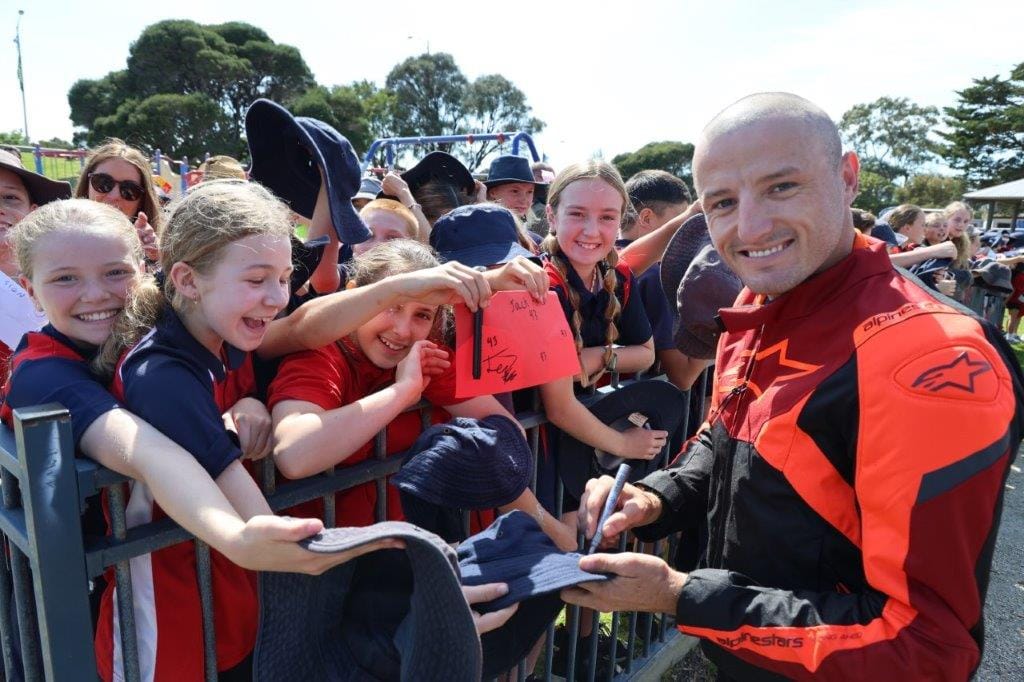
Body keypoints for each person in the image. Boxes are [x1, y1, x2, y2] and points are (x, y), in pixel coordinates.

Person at [564, 92, 1023, 681]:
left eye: (782, 186)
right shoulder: (758, 303)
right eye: (722, 202)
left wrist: (681, 596)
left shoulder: (931, 357)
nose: (749, 226)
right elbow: (725, 441)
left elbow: (926, 646)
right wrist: (651, 500)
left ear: (848, 177)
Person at [90, 181, 313, 680]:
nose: (277, 298)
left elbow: (304, 328)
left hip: (224, 598)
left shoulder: (221, 333)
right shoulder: (161, 375)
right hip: (167, 621)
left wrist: (251, 398)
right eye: (257, 280)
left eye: (283, 277)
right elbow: (259, 520)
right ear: (188, 280)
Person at [269, 238, 577, 550]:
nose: (403, 330)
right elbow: (295, 456)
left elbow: (507, 437)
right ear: (356, 295)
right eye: (392, 307)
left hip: (402, 560)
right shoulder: (322, 355)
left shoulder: (425, 357)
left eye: (422, 315)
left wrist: (544, 523)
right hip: (320, 561)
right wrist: (403, 392)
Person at [74, 139, 163, 264]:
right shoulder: (55, 240)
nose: (114, 195)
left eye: (129, 190)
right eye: (103, 183)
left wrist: (155, 260)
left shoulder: (152, 255)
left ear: (142, 201)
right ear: (86, 184)